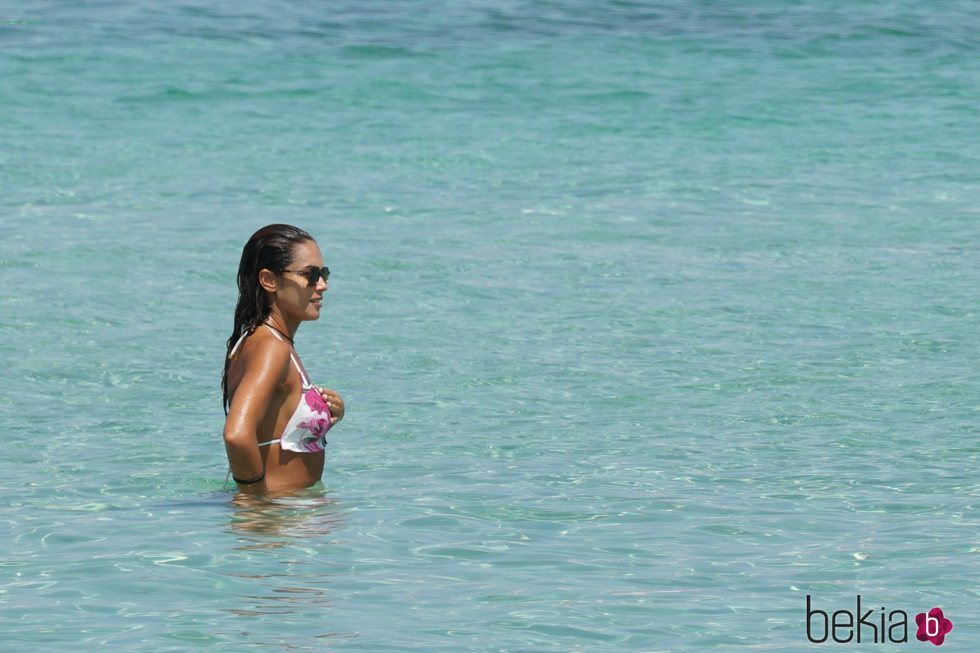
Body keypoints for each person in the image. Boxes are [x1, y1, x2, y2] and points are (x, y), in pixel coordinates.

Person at [221, 224, 345, 493]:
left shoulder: (264, 341)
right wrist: (255, 502)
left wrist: (324, 415)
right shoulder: (271, 349)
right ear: (269, 281)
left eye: (323, 273)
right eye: (309, 275)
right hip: (278, 518)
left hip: (286, 517)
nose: (322, 285)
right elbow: (237, 434)